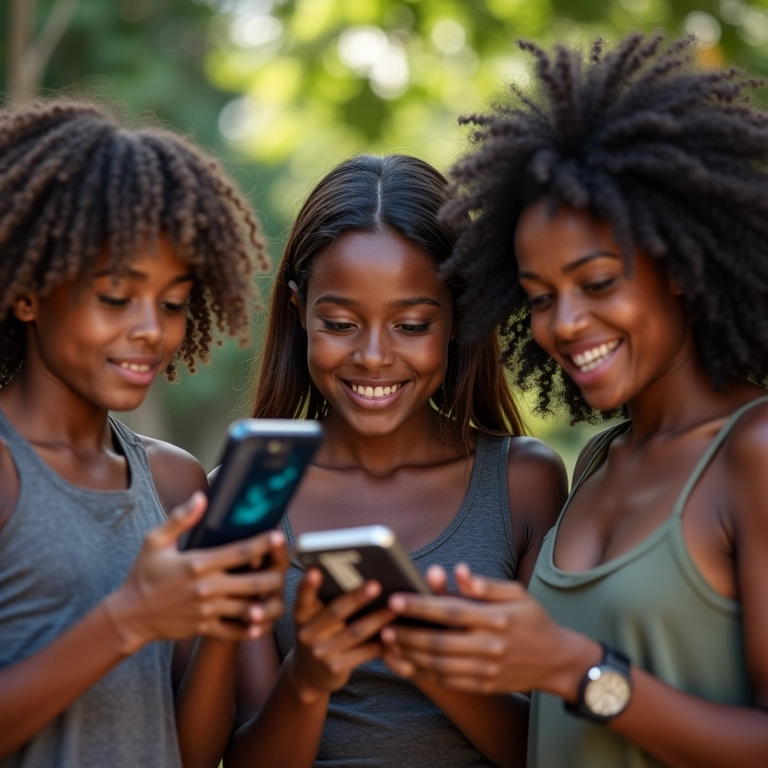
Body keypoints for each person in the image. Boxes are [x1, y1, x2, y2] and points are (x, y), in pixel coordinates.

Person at [378, 32, 768, 768]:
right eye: (539, 298)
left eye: (596, 284)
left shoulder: (754, 451)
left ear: (679, 263)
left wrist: (572, 668)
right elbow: (556, 732)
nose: (565, 325)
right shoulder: (597, 462)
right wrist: (436, 649)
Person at [221, 154, 567, 768]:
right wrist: (307, 677)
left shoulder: (524, 483)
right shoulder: (254, 490)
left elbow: (549, 748)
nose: (374, 356)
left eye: (410, 324)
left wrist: (427, 657)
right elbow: (241, 755)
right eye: (340, 323)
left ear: (458, 317)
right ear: (299, 312)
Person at [0, 97, 290, 768]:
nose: (151, 331)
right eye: (114, 298)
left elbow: (188, 754)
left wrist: (219, 617)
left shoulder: (175, 480)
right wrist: (132, 615)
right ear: (25, 292)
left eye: (173, 303)